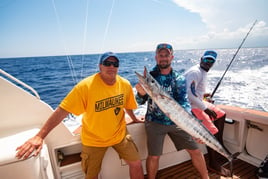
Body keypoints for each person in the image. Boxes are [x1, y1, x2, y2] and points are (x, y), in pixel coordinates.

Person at [16, 52, 144, 179]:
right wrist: (40, 136)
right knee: (91, 175)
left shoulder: (125, 84)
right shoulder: (86, 86)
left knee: (137, 164)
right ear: (100, 66)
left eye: (115, 64)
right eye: (107, 63)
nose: (111, 66)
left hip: (119, 135)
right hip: (94, 141)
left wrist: (134, 119)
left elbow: (127, 105)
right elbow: (62, 110)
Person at [135, 43, 209, 179]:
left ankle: (206, 178)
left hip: (177, 123)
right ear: (156, 57)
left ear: (172, 57)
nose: (163, 58)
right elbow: (140, 102)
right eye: (161, 55)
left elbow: (184, 103)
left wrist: (191, 127)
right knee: (154, 156)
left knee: (196, 151)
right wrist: (140, 94)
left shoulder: (179, 78)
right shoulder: (150, 76)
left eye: (166, 55)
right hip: (154, 123)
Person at [184, 50, 231, 177]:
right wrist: (205, 108)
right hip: (192, 106)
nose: (208, 63)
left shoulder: (203, 72)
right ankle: (213, 163)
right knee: (212, 132)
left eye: (211, 61)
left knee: (221, 114)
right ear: (201, 59)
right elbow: (188, 94)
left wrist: (204, 97)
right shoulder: (195, 72)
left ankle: (219, 146)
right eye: (206, 60)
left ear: (214, 62)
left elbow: (195, 92)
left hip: (199, 102)